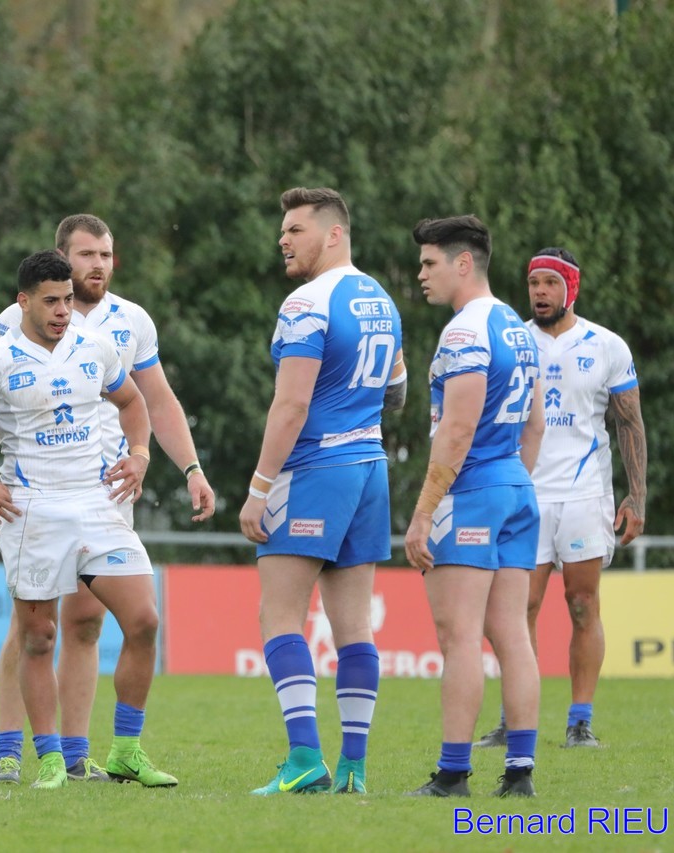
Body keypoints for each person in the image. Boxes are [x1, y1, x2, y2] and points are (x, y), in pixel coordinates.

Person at [0, 214, 214, 784]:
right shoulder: (18, 319)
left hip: (107, 495)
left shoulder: (130, 321)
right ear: (61, 258)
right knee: (32, 628)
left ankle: (77, 756)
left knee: (87, 623)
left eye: (105, 254)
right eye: (86, 255)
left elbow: (155, 400)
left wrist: (190, 467)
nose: (98, 265)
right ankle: (11, 748)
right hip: (37, 496)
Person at [0, 250, 178, 790]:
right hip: (33, 510)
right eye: (51, 301)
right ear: (23, 302)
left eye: (67, 299)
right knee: (39, 637)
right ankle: (49, 759)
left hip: (97, 503)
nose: (64, 310)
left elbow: (134, 403)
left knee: (144, 621)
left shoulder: (96, 347)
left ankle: (126, 751)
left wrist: (140, 454)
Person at [238, 187, 406, 796]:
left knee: (280, 612)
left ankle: (306, 758)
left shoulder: (306, 302)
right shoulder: (382, 299)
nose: (283, 240)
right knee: (353, 624)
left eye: (296, 230)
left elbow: (291, 405)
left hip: (314, 469)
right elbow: (397, 391)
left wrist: (259, 488)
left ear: (334, 234)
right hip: (370, 468)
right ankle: (354, 768)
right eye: (283, 230)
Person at [475, 248, 646, 750]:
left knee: (582, 604)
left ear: (571, 288)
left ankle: (580, 721)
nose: (540, 292)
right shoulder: (513, 340)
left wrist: (637, 495)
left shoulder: (607, 345)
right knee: (519, 607)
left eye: (550, 283)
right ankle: (514, 718)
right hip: (524, 492)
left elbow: (630, 423)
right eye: (534, 284)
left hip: (584, 494)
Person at [405, 215, 545, 798]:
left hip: (472, 491)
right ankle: (520, 773)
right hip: (515, 486)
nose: (421, 274)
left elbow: (457, 430)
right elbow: (535, 424)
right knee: (513, 636)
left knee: (459, 637)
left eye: (429, 263)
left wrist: (422, 513)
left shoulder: (464, 331)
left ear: (463, 263)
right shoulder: (517, 326)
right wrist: (511, 483)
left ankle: (453, 773)